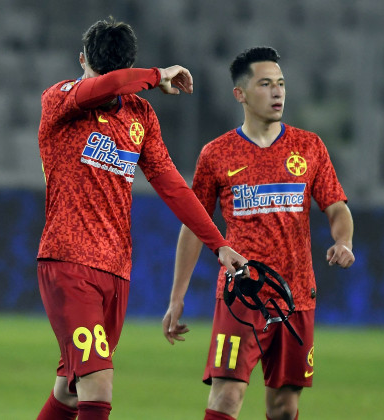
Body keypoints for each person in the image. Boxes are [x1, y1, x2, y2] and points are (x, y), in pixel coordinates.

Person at [35, 17, 247, 420]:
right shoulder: (60, 100)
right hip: (68, 263)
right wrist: (158, 73)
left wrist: (218, 244)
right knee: (98, 383)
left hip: (116, 270)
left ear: (82, 58)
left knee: (70, 391)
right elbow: (107, 85)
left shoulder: (141, 115)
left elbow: (173, 187)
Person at [162, 47, 355, 420]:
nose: (277, 92)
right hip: (241, 294)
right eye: (265, 84)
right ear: (241, 94)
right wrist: (177, 297)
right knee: (227, 397)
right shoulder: (216, 154)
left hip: (295, 296)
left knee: (284, 408)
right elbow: (194, 225)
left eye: (281, 84)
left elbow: (336, 207)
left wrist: (343, 240)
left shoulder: (309, 146)